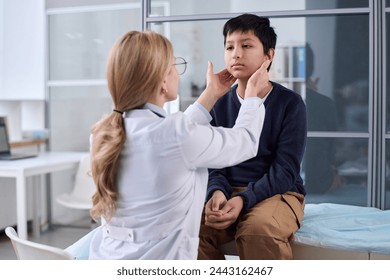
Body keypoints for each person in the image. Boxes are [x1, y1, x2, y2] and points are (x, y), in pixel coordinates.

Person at [87, 30, 270, 260]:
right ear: (162, 80)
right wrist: (253, 96)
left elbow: (171, 144)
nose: (177, 74)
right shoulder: (175, 134)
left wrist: (211, 94)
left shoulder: (103, 133)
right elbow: (246, 141)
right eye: (174, 66)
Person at [197, 14, 307, 260]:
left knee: (258, 232)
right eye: (229, 46)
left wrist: (244, 200)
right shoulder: (218, 103)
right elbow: (212, 161)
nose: (236, 53)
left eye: (246, 46)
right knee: (189, 229)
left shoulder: (290, 103)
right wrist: (216, 193)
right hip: (226, 191)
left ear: (269, 55)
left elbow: (285, 171)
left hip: (277, 192)